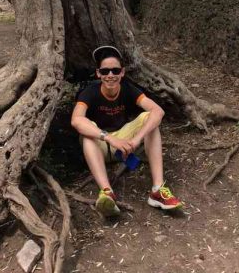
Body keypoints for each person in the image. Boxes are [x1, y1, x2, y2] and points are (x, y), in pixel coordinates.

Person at [71, 45, 183, 217]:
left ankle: (157, 190)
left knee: (150, 118)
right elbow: (76, 120)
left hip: (125, 145)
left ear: (122, 72)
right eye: (105, 71)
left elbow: (158, 111)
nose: (110, 75)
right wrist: (108, 138)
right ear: (98, 73)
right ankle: (107, 192)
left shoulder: (128, 88)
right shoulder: (89, 92)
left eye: (115, 71)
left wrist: (136, 139)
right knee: (87, 129)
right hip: (99, 145)